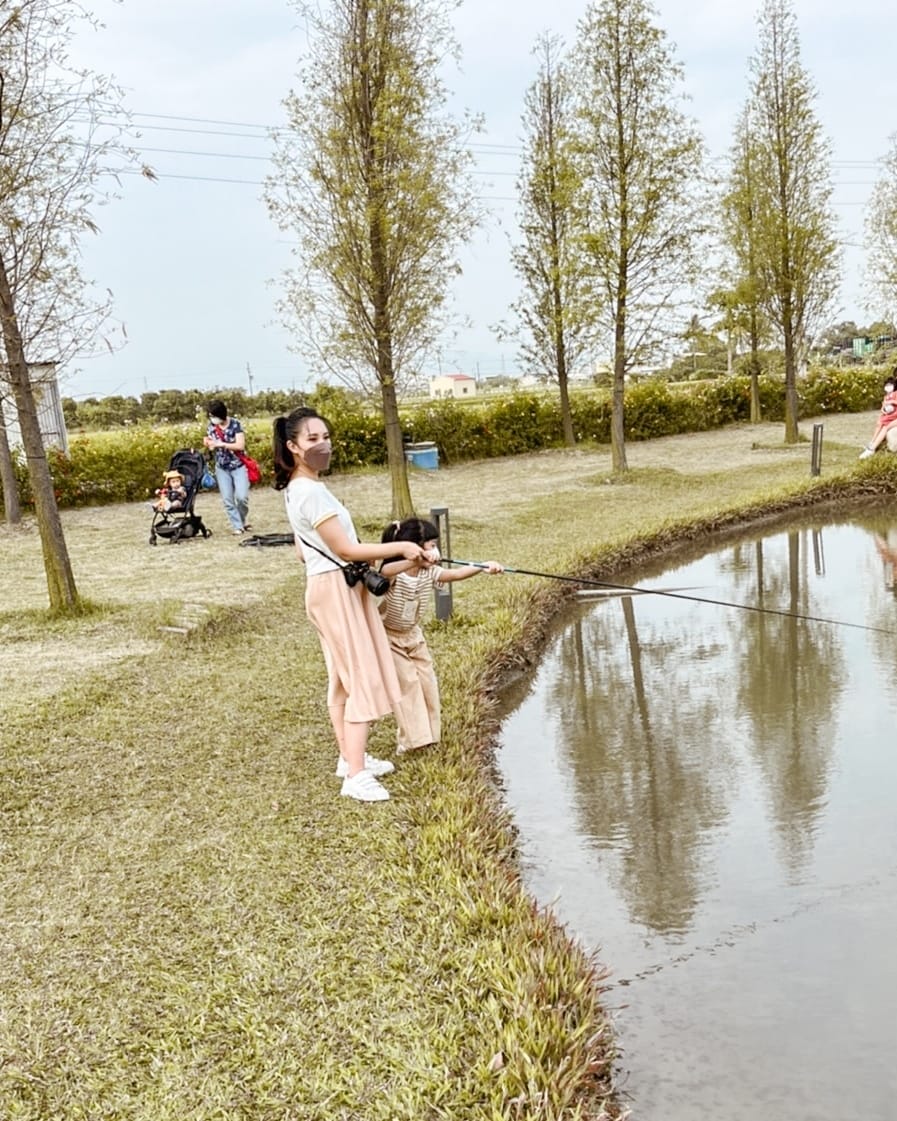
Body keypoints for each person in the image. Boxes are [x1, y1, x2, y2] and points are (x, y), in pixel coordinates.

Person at [273, 406, 430, 803]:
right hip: (336, 593)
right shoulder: (309, 491)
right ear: (293, 446)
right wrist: (403, 546)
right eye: (312, 439)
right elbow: (345, 548)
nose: (322, 445)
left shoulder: (297, 489)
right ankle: (355, 777)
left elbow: (302, 552)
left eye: (325, 437)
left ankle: (350, 757)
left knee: (342, 679)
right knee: (361, 678)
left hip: (328, 587)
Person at [379, 517, 503, 756]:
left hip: (414, 636)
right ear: (413, 547)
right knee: (408, 686)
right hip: (389, 638)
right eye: (430, 546)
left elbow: (455, 575)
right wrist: (412, 560)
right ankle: (409, 741)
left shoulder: (430, 572)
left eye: (436, 546)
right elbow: (385, 571)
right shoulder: (396, 573)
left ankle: (429, 736)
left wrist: (483, 566)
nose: (435, 551)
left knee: (427, 683)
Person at [203, 399, 251, 535]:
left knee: (242, 497)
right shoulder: (211, 426)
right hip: (222, 467)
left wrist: (222, 444)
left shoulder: (235, 424)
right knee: (228, 499)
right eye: (211, 416)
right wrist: (208, 442)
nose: (213, 419)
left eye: (214, 416)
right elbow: (209, 440)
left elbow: (240, 445)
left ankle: (241, 520)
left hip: (238, 465)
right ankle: (237, 526)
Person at [859, 374, 897, 459]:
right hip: (891, 415)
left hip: (894, 417)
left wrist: (892, 402)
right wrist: (884, 409)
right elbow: (884, 406)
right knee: (880, 423)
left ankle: (872, 448)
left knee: (886, 426)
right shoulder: (890, 394)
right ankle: (872, 443)